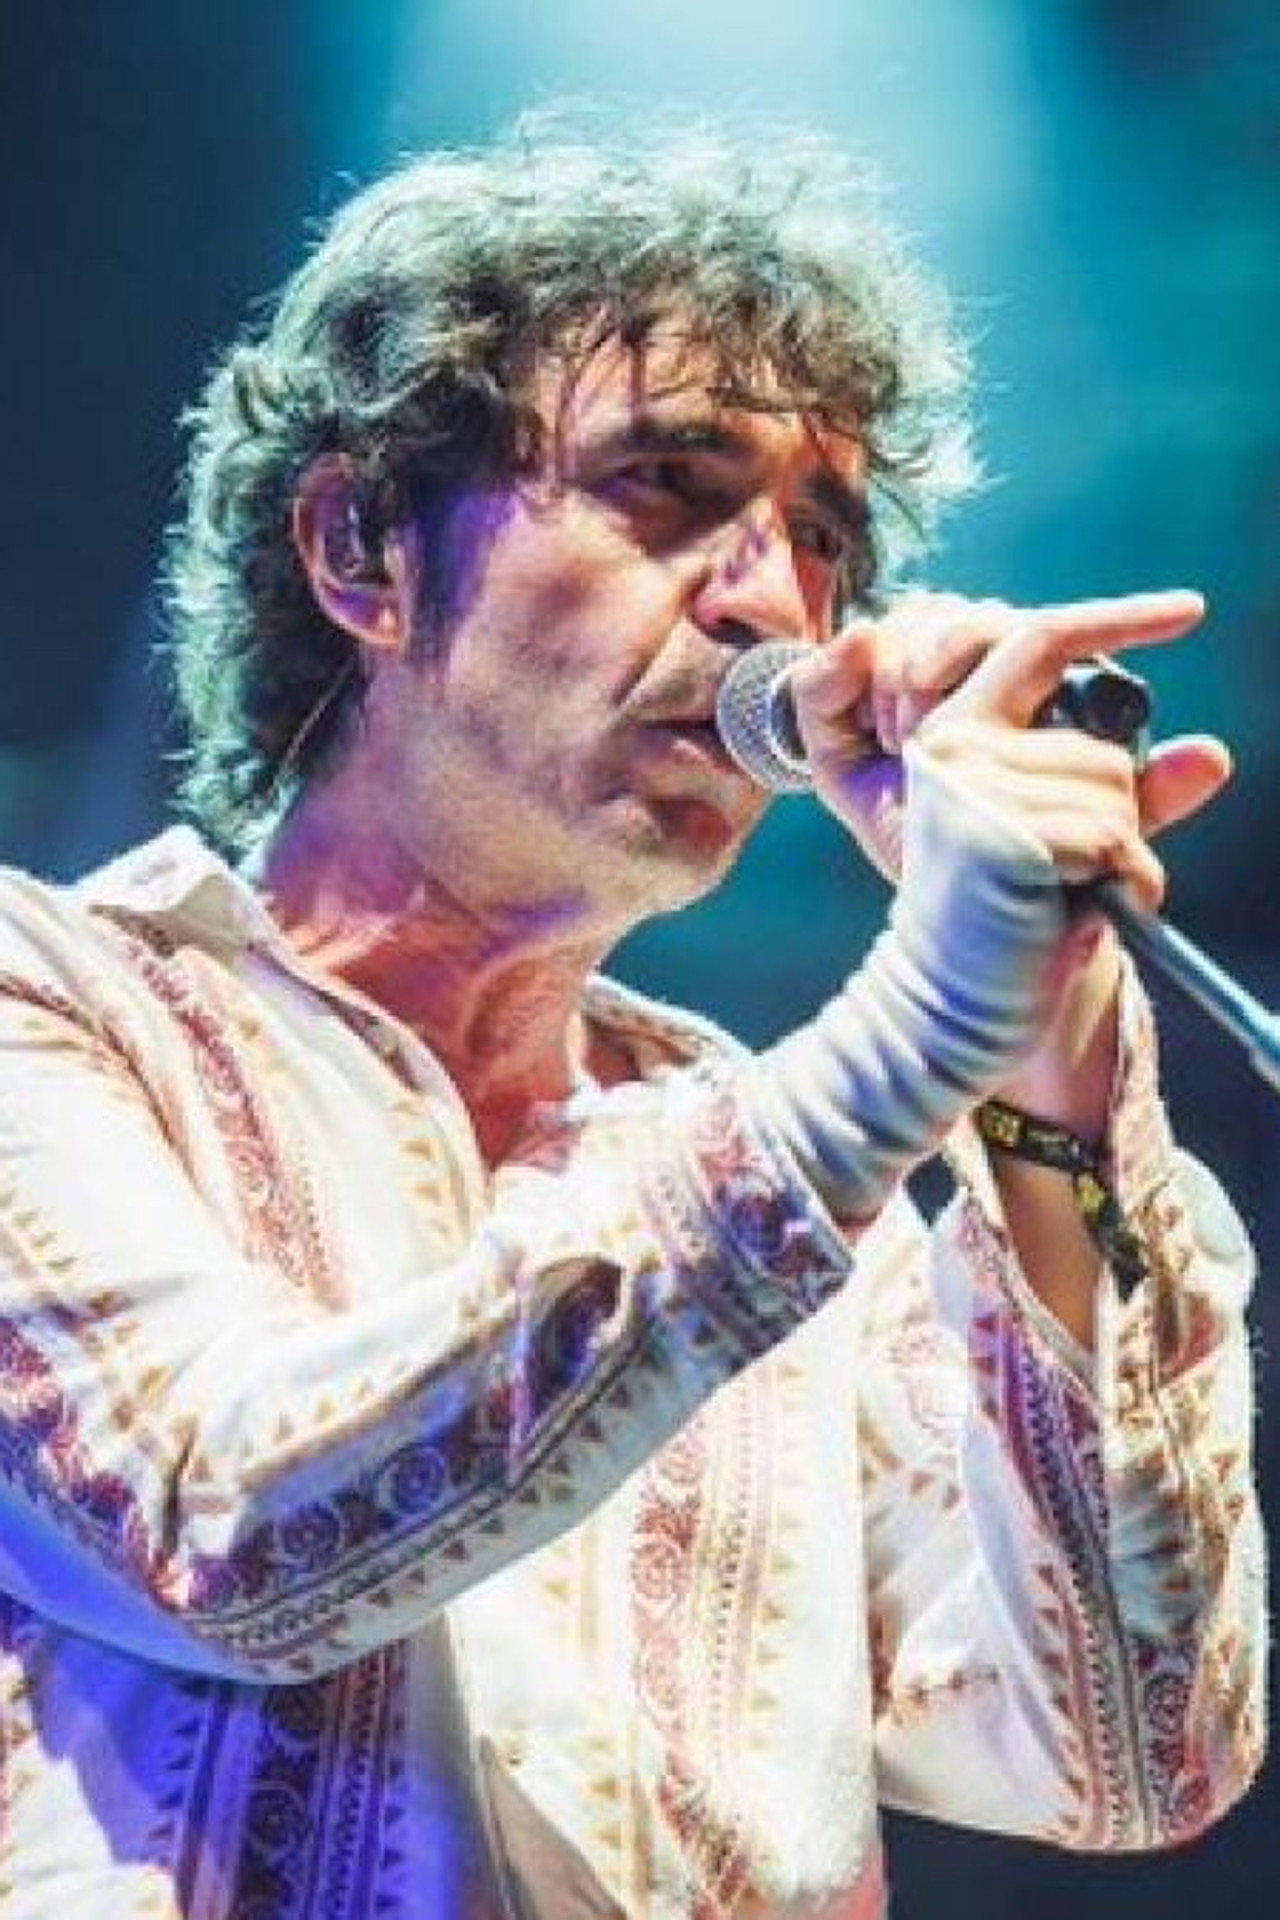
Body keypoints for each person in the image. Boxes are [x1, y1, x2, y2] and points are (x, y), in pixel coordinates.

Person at [0, 114, 1265, 1919]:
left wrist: (1040, 1042)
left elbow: (1138, 1757)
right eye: (668, 483)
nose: (776, 603)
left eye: (821, 536)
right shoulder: (51, 1007)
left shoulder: (775, 1167)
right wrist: (912, 1031)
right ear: (361, 546)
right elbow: (222, 1529)